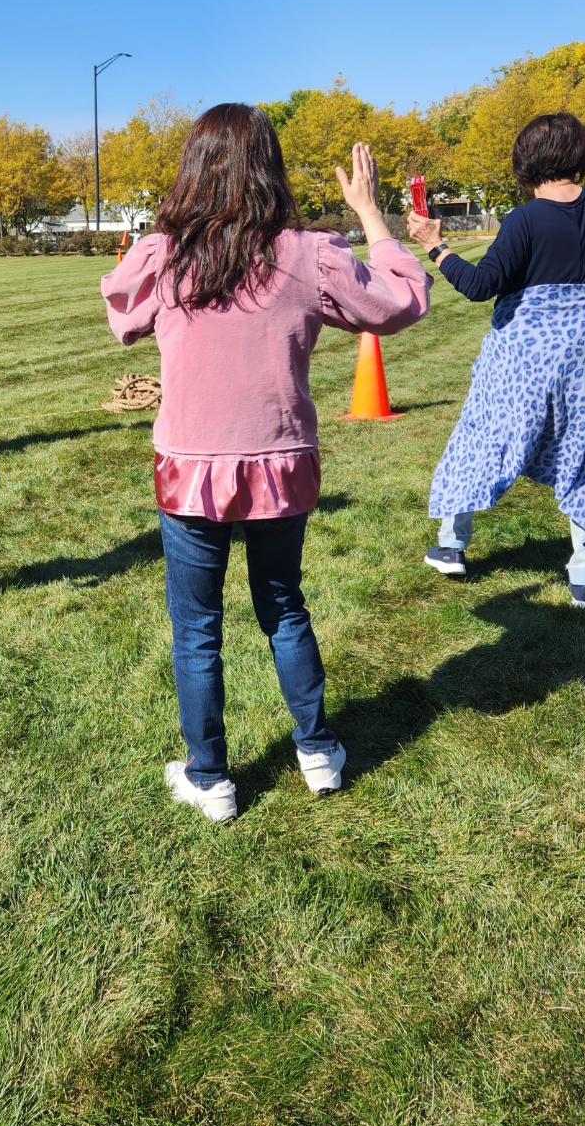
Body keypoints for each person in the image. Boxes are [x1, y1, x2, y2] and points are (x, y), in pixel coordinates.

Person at [101, 103, 431, 823]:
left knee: (197, 627)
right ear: (270, 168)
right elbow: (401, 302)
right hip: (280, 464)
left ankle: (211, 778)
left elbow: (121, 315)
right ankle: (317, 752)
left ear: (193, 169)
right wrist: (371, 215)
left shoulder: (167, 254)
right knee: (283, 605)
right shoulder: (309, 254)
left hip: (191, 468)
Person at [408, 113, 585, 608]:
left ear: (524, 162)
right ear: (579, 156)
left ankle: (450, 546)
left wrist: (434, 246)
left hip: (521, 359)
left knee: (485, 435)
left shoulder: (525, 219)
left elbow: (480, 285)